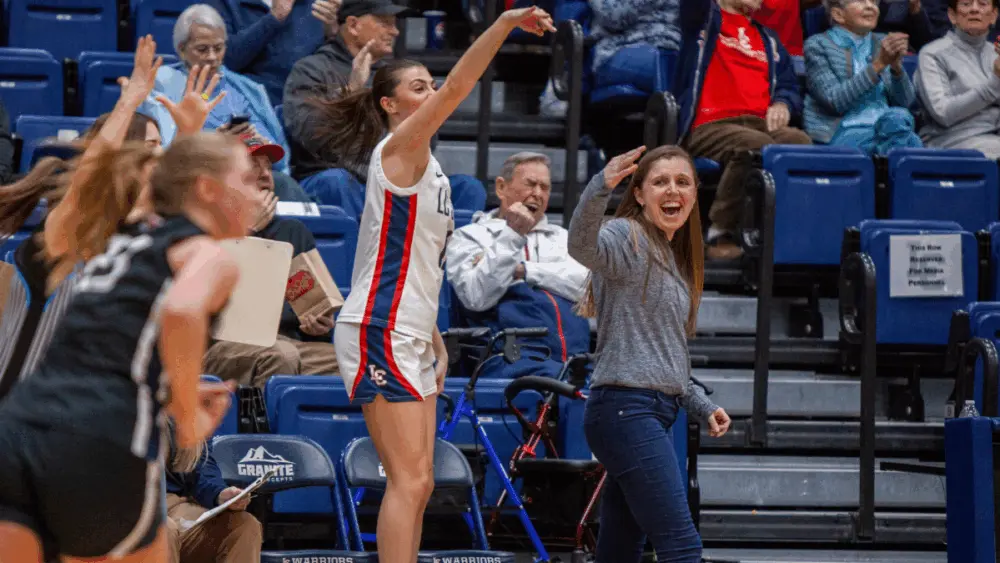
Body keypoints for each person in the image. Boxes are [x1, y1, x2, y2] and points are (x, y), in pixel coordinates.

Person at [314, 7, 555, 561]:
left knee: (420, 482)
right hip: (380, 325)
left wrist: (434, 338)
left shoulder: (430, 168)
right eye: (418, 87)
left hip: (410, 329)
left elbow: (416, 263)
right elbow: (459, 87)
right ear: (390, 105)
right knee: (408, 481)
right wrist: (504, 24)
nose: (431, 93)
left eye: (430, 85)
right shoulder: (398, 149)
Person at [0, 99, 259, 563]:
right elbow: (182, 310)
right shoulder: (199, 254)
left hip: (22, 431)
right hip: (95, 439)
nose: (260, 193)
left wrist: (188, 132)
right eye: (246, 180)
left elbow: (153, 195)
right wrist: (187, 413)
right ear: (206, 188)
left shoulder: (126, 239)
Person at [567, 144, 732, 563]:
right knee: (681, 546)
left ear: (694, 194)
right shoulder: (627, 236)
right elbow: (581, 246)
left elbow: (663, 354)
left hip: (648, 412)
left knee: (620, 552)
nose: (672, 190)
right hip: (625, 411)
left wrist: (701, 404)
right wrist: (600, 186)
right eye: (660, 182)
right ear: (639, 194)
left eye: (682, 182)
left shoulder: (673, 259)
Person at [674, 0, 812, 261]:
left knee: (800, 142)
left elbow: (788, 85)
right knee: (754, 145)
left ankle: (787, 237)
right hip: (710, 124)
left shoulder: (768, 38)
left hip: (759, 124)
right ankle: (720, 232)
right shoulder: (703, 20)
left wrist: (783, 103)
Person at [201, 134, 340, 388]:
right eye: (253, 166)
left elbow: (314, 309)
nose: (266, 175)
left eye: (268, 167)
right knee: (281, 355)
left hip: (287, 343)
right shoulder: (204, 229)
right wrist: (247, 232)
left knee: (354, 361)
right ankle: (258, 417)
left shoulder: (292, 231)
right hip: (219, 346)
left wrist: (319, 325)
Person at [446, 152, 590, 379]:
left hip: (576, 361)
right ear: (501, 188)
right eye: (530, 184)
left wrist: (524, 270)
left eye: (545, 187)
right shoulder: (470, 236)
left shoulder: (563, 238)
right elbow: (476, 296)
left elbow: (588, 288)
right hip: (511, 361)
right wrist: (512, 234)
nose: (538, 194)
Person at [140, 4, 291, 173]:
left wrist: (260, 144)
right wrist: (215, 144)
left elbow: (282, 161)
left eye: (218, 48)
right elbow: (161, 153)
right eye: (202, 49)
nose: (212, 57)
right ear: (182, 50)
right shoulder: (163, 83)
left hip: (259, 173)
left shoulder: (247, 88)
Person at [803, 0, 922, 155]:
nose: (870, 6)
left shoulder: (883, 42)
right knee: (911, 142)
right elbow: (834, 101)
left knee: (900, 121)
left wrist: (896, 69)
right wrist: (878, 65)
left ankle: (890, 164)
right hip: (842, 131)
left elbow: (906, 103)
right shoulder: (817, 45)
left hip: (889, 127)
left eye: (873, 1)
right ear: (838, 14)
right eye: (860, 1)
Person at [164, 424, 262, 563]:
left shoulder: (187, 417)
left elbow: (203, 471)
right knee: (161, 531)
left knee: (244, 526)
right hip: (137, 502)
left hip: (176, 504)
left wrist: (220, 494)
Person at [915, 0, 1000, 158]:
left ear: (994, 15)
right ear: (952, 15)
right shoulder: (932, 54)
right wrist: (995, 81)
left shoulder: (996, 54)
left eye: (982, 4)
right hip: (950, 142)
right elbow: (943, 113)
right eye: (966, 4)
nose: (974, 9)